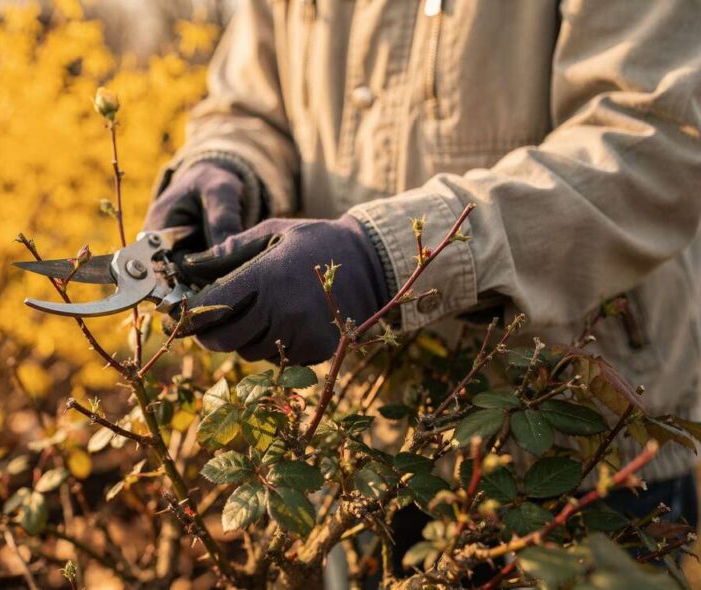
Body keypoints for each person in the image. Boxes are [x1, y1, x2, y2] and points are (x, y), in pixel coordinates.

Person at [142, 0, 701, 581]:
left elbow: (656, 140)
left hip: (577, 453)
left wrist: (387, 256)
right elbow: (251, 100)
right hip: (357, 447)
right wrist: (227, 165)